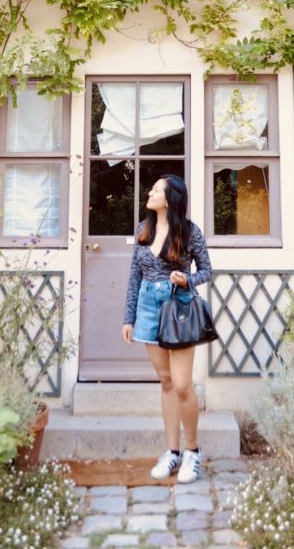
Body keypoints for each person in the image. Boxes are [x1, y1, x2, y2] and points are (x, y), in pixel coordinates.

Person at [122, 174, 212, 484]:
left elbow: (207, 271)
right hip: (148, 306)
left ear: (171, 198)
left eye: (156, 189)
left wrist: (188, 279)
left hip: (179, 307)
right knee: (166, 382)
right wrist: (128, 318)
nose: (150, 192)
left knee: (183, 384)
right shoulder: (143, 230)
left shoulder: (189, 232)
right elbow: (135, 276)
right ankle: (172, 452)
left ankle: (192, 451)